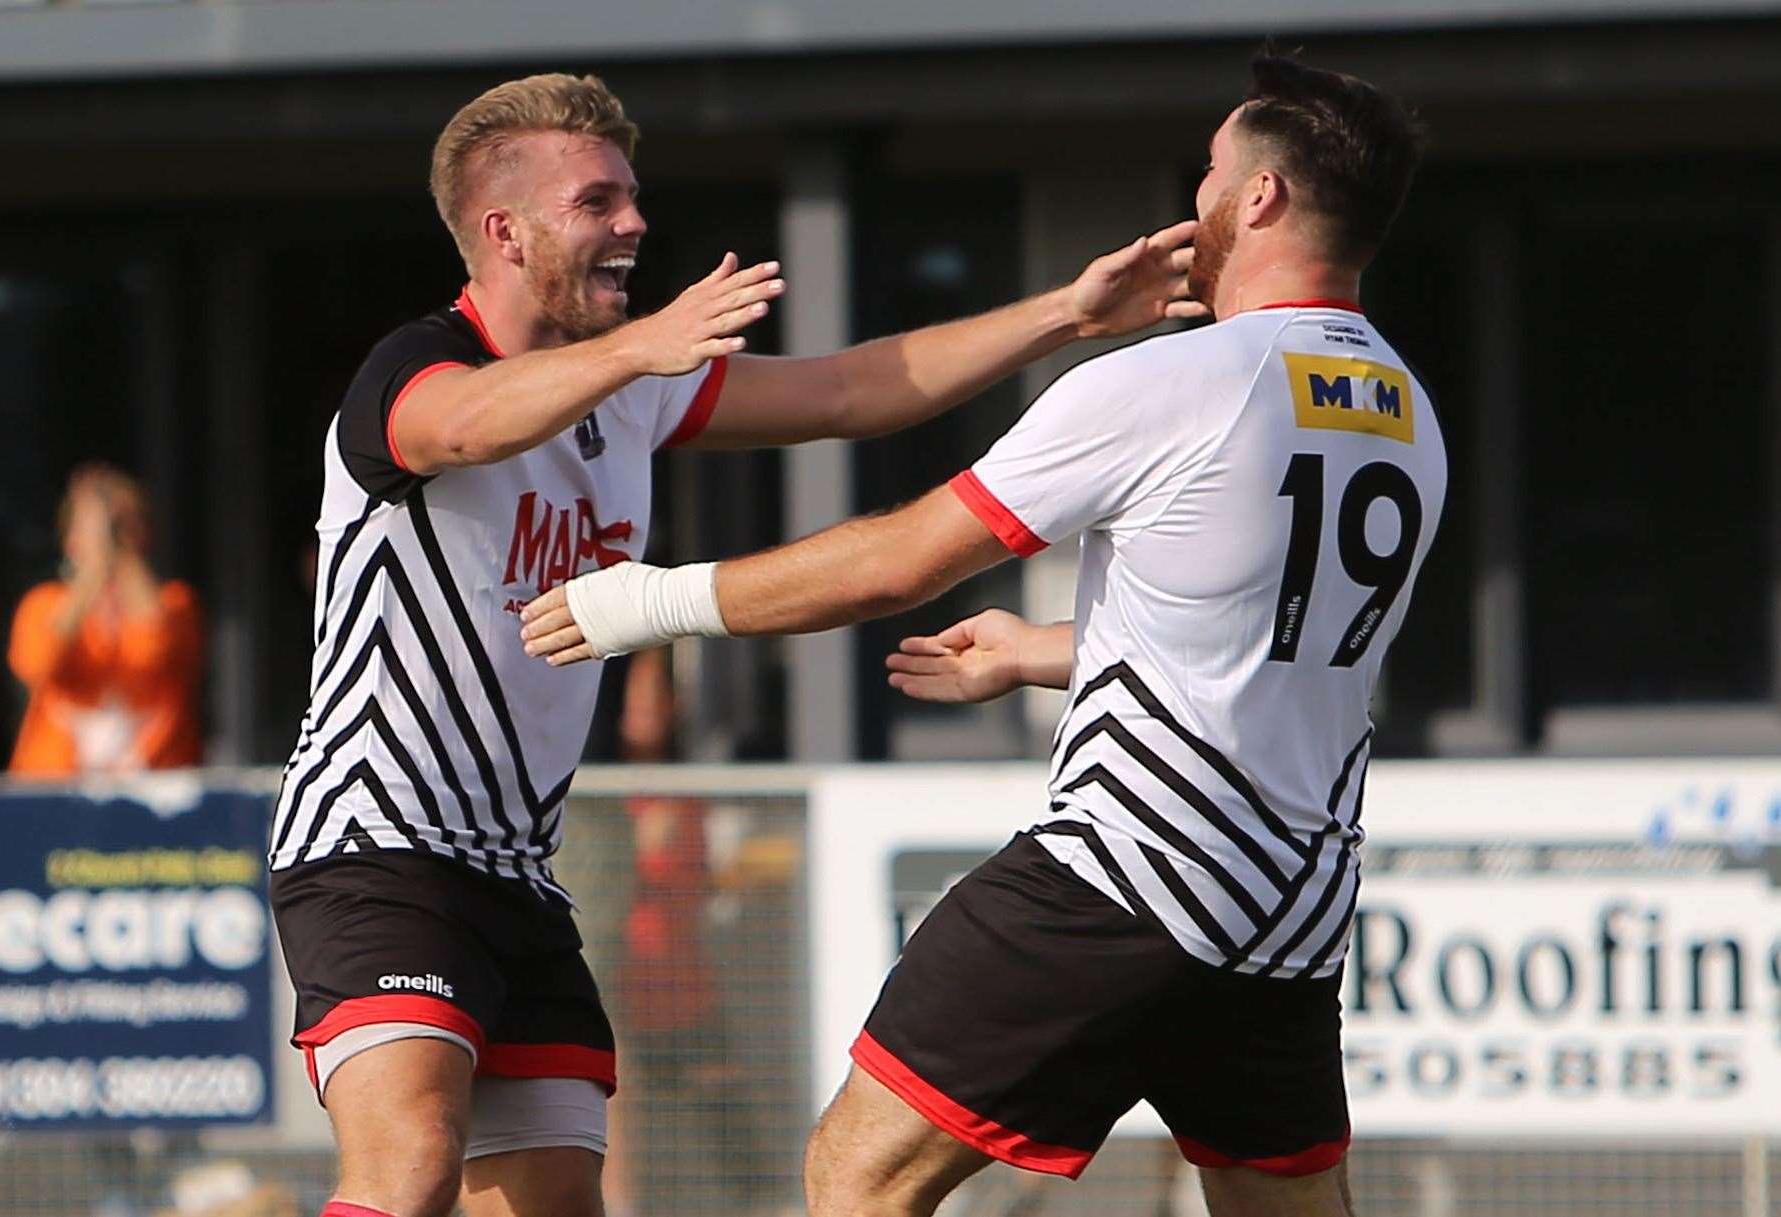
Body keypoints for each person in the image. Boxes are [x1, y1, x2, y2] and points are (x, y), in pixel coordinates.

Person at [266, 70, 1202, 1217]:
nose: (634, 223)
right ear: (502, 233)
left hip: (514, 870)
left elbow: (853, 389)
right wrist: (643, 347)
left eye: (632, 197)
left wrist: (1065, 313)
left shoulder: (633, 390)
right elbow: (464, 423)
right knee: (409, 1162)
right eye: (598, 201)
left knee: (557, 1201)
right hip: (376, 843)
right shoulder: (412, 372)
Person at [523, 51, 1439, 1217]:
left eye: (1209, 173)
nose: (1194, 200)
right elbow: (1288, 640)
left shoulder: (1178, 378)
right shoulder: (1407, 414)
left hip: (1125, 869)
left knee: (856, 1174)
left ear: (1258, 199)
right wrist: (1041, 650)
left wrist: (639, 603)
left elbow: (898, 561)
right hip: (1292, 899)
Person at [7, 463, 203, 776]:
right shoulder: (43, 603)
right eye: (99, 526)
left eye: (126, 523)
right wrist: (92, 573)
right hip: (54, 786)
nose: (112, 536)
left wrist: (124, 559)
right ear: (69, 537)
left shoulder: (174, 601)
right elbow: (37, 665)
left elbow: (161, 649)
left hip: (154, 787)